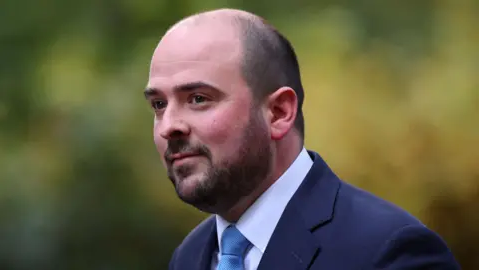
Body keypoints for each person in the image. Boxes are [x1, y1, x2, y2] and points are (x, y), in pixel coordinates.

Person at [144, 8, 460, 270]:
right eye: (159, 104)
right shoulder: (189, 256)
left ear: (279, 113)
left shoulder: (391, 253)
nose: (168, 126)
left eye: (198, 98)